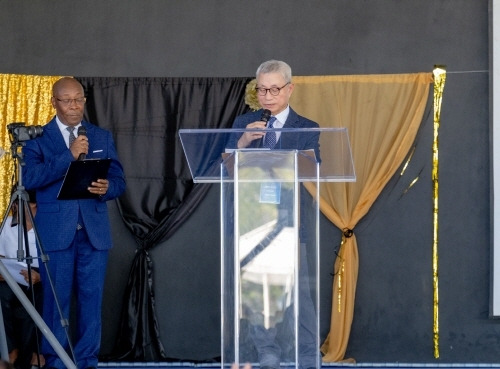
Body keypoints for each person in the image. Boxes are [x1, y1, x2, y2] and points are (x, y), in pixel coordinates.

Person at [22, 77, 126, 369]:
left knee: (91, 304)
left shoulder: (101, 137)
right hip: (56, 233)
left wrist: (108, 188)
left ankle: (87, 361)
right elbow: (30, 179)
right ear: (53, 102)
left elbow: (119, 180)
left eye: (79, 99)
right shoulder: (38, 138)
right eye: (67, 100)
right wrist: (68, 155)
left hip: (94, 233)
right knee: (55, 304)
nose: (74, 106)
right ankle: (55, 361)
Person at [226, 60, 321, 369]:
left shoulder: (307, 127)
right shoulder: (244, 123)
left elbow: (312, 170)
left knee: (299, 295)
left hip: (292, 222)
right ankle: (267, 352)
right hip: (253, 220)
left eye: (274, 89)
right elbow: (226, 169)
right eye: (262, 89)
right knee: (259, 292)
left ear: (289, 89)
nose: (267, 96)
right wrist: (242, 144)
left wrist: (280, 160)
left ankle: (307, 354)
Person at [0, 190, 44, 369]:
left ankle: (27, 358)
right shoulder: (6, 226)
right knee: (2, 297)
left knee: (30, 305)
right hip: (9, 276)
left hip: (36, 278)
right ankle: (11, 351)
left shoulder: (45, 227)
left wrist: (40, 277)